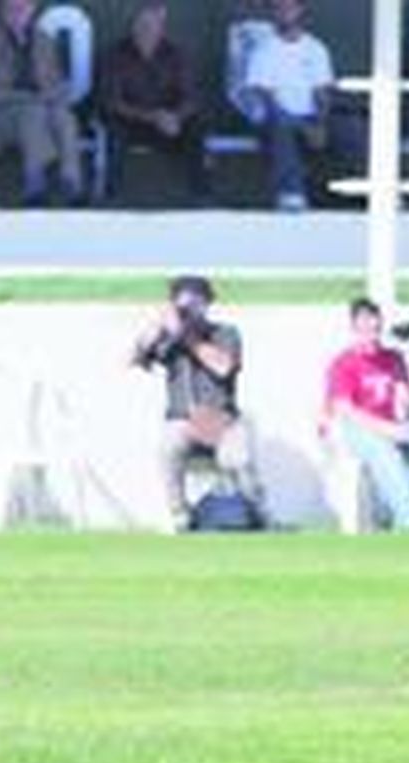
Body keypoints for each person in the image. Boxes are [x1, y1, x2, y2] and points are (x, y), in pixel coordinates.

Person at [129, 275, 267, 533]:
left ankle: (257, 514)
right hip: (181, 420)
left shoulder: (225, 333)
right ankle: (180, 515)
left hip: (219, 419)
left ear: (207, 304)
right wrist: (154, 330)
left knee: (239, 458)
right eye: (182, 304)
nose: (189, 310)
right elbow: (133, 359)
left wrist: (186, 336)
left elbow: (223, 367)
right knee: (167, 447)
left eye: (196, 302)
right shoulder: (167, 339)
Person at [322, 298, 409, 532]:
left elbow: (407, 399)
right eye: (364, 328)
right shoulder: (343, 363)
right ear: (354, 329)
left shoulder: (393, 359)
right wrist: (388, 430)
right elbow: (346, 410)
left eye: (375, 327)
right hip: (354, 429)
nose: (370, 334)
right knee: (382, 451)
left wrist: (406, 402)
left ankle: (399, 506)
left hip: (390, 424)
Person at [241, 0, 363, 212]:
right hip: (274, 119)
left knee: (351, 127)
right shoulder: (263, 50)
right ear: (272, 13)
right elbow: (266, 99)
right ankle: (291, 194)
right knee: (281, 125)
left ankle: (372, 190)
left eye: (289, 7)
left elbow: (322, 93)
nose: (284, 12)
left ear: (300, 10)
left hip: (310, 117)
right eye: (278, 8)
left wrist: (320, 123)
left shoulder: (316, 48)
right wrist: (302, 126)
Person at [0, 0, 85, 207]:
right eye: (11, 8)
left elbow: (56, 83)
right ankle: (34, 183)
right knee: (33, 111)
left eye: (23, 8)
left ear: (33, 10)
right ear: (1, 10)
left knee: (64, 116)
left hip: (39, 113)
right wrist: (23, 97)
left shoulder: (43, 41)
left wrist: (58, 92)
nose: (17, 14)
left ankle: (71, 182)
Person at [99, 1, 211, 204]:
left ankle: (201, 195)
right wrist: (152, 117)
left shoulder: (176, 54)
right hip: (132, 122)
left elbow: (191, 97)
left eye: (152, 27)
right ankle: (111, 196)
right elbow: (112, 101)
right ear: (132, 28)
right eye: (141, 26)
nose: (146, 32)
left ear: (161, 30)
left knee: (197, 126)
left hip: (169, 124)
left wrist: (176, 117)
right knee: (113, 128)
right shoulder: (115, 54)